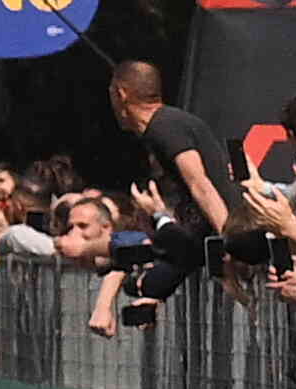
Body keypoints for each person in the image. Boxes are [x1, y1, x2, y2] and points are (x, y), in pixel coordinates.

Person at [88, 59, 247, 338]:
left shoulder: (165, 127)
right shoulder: (165, 126)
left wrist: (232, 243)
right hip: (211, 237)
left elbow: (201, 184)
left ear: (121, 94)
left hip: (234, 237)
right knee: (147, 281)